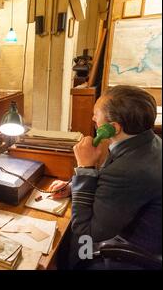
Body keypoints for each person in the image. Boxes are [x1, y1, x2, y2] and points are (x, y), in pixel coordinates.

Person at [50, 85, 161, 269]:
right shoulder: (147, 141)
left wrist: (85, 168)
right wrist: (73, 188)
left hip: (134, 252)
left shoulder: (128, 170)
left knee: (63, 244)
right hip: (144, 232)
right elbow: (115, 188)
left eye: (96, 114)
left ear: (113, 128)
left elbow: (87, 232)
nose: (93, 118)